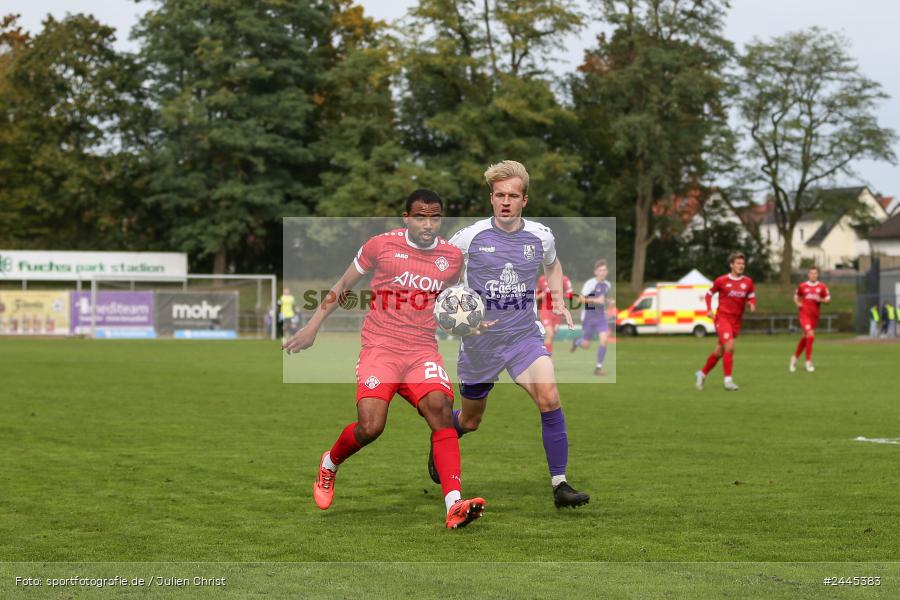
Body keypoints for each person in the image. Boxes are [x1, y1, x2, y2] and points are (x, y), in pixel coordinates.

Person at [282, 189, 486, 529]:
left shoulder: (451, 258)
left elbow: (455, 302)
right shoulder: (380, 245)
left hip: (422, 349)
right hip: (381, 347)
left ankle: (454, 504)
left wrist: (473, 322)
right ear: (406, 218)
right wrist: (311, 327)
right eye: (420, 216)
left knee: (440, 410)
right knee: (371, 426)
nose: (428, 223)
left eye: (435, 217)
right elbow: (343, 285)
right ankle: (330, 463)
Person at [427, 160, 590, 509]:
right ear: (491, 198)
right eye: (499, 195)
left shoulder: (541, 236)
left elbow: (554, 264)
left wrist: (559, 298)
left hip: (523, 338)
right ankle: (445, 434)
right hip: (479, 345)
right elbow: (440, 276)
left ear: (524, 201)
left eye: (513, 196)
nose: (505, 201)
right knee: (471, 420)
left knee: (549, 397)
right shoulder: (469, 237)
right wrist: (455, 312)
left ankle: (560, 484)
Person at [695, 252, 756, 391]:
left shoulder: (748, 282)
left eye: (743, 263)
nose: (741, 266)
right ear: (731, 265)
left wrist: (752, 303)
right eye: (738, 263)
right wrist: (709, 309)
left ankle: (702, 374)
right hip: (722, 319)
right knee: (730, 346)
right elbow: (709, 294)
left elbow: (751, 296)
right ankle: (728, 381)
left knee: (719, 352)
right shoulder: (721, 280)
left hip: (736, 322)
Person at [570, 259, 613, 376]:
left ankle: (598, 368)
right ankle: (577, 342)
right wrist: (596, 300)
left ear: (607, 271)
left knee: (604, 339)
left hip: (600, 317)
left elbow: (603, 299)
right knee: (586, 345)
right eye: (600, 270)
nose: (603, 272)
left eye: (604, 270)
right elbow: (580, 299)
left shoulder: (607, 285)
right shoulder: (590, 284)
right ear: (595, 272)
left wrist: (608, 301)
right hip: (589, 316)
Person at [790, 266, 831, 373]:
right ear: (808, 275)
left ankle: (794, 358)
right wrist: (798, 303)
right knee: (811, 335)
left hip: (814, 317)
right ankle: (808, 362)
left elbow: (828, 299)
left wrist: (821, 299)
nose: (813, 275)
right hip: (804, 315)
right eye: (811, 273)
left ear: (817, 275)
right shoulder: (802, 286)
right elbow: (795, 296)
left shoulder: (822, 287)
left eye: (815, 273)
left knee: (806, 337)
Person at [536, 272, 573, 354]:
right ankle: (548, 361)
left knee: (551, 336)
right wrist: (543, 294)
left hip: (557, 311)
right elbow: (536, 295)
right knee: (550, 333)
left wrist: (560, 294)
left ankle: (543, 355)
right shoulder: (542, 279)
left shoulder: (564, 279)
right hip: (546, 310)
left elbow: (570, 294)